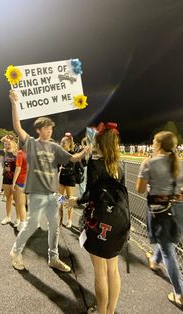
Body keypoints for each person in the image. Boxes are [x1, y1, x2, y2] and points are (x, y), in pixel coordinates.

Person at [9, 90, 89, 272]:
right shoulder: (30, 143)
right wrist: (14, 103)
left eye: (51, 128)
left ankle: (53, 258)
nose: (49, 130)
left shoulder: (54, 147)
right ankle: (15, 252)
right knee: (31, 225)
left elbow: (74, 159)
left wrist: (85, 150)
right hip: (37, 195)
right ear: (38, 130)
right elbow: (17, 126)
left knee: (55, 227)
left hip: (54, 195)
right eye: (46, 128)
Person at [68, 122, 124, 314]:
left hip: (100, 220)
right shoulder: (119, 166)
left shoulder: (95, 163)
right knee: (113, 270)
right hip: (118, 221)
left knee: (100, 271)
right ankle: (111, 310)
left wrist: (76, 200)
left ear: (100, 143)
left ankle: (102, 312)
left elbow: (91, 195)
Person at [136, 131, 183, 308]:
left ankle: (180, 294)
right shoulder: (179, 162)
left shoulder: (149, 163)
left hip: (159, 210)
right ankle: (155, 262)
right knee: (168, 243)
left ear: (158, 145)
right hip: (179, 209)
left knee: (168, 252)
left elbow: (140, 189)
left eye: (154, 142)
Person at [0, 135, 17, 225]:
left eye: (9, 143)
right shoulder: (4, 152)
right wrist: (0, 140)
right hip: (6, 177)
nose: (7, 145)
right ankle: (8, 217)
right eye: (5, 144)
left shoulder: (16, 152)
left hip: (16, 178)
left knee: (17, 200)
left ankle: (19, 219)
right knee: (8, 198)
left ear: (12, 143)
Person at [58, 133, 76, 228]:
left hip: (70, 180)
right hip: (62, 179)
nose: (61, 144)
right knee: (60, 199)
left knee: (70, 200)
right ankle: (60, 218)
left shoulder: (72, 154)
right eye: (61, 142)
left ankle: (69, 220)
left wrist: (63, 168)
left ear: (69, 143)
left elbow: (72, 168)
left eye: (63, 142)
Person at [12, 147, 27, 231]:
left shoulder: (21, 153)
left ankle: (23, 224)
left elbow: (18, 168)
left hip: (21, 180)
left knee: (21, 204)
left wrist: (13, 182)